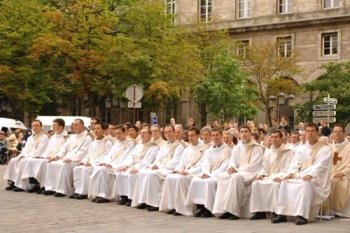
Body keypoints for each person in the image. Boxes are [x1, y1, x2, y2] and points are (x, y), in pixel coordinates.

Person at [273, 123, 332, 225]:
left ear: (317, 133)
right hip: (299, 176)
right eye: (308, 131)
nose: (310, 133)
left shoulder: (325, 149)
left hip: (315, 179)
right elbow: (294, 164)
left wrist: (310, 174)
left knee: (305, 183)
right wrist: (291, 173)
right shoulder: (301, 149)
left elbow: (321, 166)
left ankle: (301, 215)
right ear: (305, 133)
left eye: (313, 131)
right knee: (285, 182)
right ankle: (282, 214)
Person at [213, 125, 264, 220]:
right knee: (222, 176)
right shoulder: (237, 147)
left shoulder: (257, 147)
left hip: (250, 173)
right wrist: (231, 168)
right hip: (238, 171)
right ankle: (224, 210)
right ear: (239, 134)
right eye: (242, 132)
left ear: (250, 133)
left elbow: (255, 165)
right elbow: (232, 161)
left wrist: (237, 171)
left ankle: (234, 211)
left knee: (236, 177)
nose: (244, 134)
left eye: (246, 131)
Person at [131, 125, 184, 211]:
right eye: (166, 132)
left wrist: (159, 166)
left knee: (152, 174)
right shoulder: (164, 147)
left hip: (169, 169)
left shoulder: (179, 146)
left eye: (170, 132)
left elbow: (175, 161)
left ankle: (155, 203)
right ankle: (144, 200)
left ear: (174, 133)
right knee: (143, 172)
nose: (168, 134)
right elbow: (157, 159)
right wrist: (155, 165)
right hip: (160, 168)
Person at [159, 127, 210, 216]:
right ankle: (173, 206)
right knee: (170, 177)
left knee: (181, 179)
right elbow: (181, 163)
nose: (190, 138)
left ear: (198, 135)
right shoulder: (187, 149)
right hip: (185, 172)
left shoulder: (204, 148)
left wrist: (189, 172)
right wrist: (178, 170)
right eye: (189, 136)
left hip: (196, 173)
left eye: (192, 135)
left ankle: (184, 208)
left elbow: (202, 165)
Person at [185, 128, 231, 217]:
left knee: (209, 182)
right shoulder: (209, 150)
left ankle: (209, 209)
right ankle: (200, 207)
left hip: (218, 175)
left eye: (217, 135)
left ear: (221, 136)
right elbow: (205, 164)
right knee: (195, 180)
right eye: (213, 135)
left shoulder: (227, 150)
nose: (215, 137)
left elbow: (224, 167)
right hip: (208, 174)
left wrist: (210, 175)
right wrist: (205, 173)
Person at [12, 118, 67, 193]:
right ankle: (30, 184)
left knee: (37, 162)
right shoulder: (53, 137)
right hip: (48, 157)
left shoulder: (65, 137)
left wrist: (55, 157)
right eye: (52, 125)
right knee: (29, 161)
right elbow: (48, 149)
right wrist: (44, 156)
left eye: (55, 125)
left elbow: (64, 150)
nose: (52, 127)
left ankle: (44, 186)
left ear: (61, 127)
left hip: (58, 158)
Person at [249, 130, 294, 220]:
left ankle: (277, 212)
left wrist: (280, 176)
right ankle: (260, 211)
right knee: (256, 184)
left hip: (281, 177)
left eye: (276, 137)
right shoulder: (268, 152)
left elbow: (288, 168)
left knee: (276, 185)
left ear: (282, 138)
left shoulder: (288, 151)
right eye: (272, 137)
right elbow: (264, 167)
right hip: (269, 176)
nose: (274, 139)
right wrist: (261, 174)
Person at [43, 119, 92, 197]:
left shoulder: (87, 138)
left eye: (76, 125)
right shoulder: (72, 137)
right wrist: (56, 157)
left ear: (82, 126)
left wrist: (72, 159)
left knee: (64, 165)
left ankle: (63, 190)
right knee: (51, 163)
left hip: (77, 160)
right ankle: (52, 188)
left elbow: (83, 152)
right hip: (67, 158)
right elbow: (64, 149)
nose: (74, 127)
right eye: (73, 125)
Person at [87, 124, 135, 203]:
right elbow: (110, 155)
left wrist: (112, 165)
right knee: (99, 169)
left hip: (120, 165)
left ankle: (105, 196)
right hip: (111, 165)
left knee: (102, 170)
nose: (117, 135)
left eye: (119, 133)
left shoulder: (129, 143)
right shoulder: (116, 143)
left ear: (124, 133)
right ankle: (98, 194)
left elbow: (127, 156)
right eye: (116, 133)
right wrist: (105, 162)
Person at [113, 127, 159, 206]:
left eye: (144, 133)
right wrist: (125, 165)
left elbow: (148, 160)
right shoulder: (138, 146)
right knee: (121, 172)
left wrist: (137, 168)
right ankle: (124, 196)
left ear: (150, 135)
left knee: (132, 174)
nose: (142, 135)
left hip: (143, 167)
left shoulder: (153, 147)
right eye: (141, 133)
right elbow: (131, 157)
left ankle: (132, 198)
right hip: (133, 166)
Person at [4, 120, 49, 191]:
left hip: (37, 156)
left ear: (41, 127)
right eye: (34, 126)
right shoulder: (30, 138)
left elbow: (40, 150)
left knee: (24, 161)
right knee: (13, 160)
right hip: (27, 155)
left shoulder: (44, 137)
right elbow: (25, 149)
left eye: (37, 126)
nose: (35, 127)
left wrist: (26, 156)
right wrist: (22, 155)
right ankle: (13, 182)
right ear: (31, 127)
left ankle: (21, 185)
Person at [72, 122, 112, 199]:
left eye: (98, 129)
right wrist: (84, 161)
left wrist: (92, 163)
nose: (96, 131)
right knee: (78, 168)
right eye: (94, 129)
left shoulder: (108, 143)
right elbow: (88, 155)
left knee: (88, 170)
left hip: (98, 164)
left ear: (104, 130)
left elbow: (106, 156)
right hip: (90, 163)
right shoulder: (93, 143)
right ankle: (80, 191)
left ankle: (91, 193)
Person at [326, 124, 350, 217]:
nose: (337, 133)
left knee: (338, 182)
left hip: (344, 175)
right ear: (332, 134)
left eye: (340, 131)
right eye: (335, 131)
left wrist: (343, 173)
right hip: (330, 173)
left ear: (344, 133)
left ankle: (338, 211)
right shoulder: (329, 148)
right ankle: (324, 210)